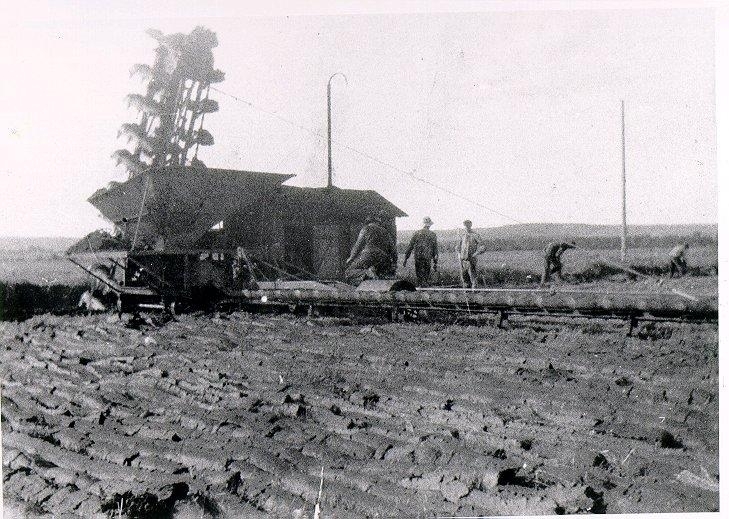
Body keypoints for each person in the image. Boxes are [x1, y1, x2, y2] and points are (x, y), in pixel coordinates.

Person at [344, 214, 397, 284]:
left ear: (368, 221)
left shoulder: (365, 229)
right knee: (382, 276)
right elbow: (393, 250)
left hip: (369, 254)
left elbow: (357, 247)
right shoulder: (385, 232)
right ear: (378, 222)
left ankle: (366, 273)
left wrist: (350, 259)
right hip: (383, 257)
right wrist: (394, 263)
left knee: (349, 271)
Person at [403, 216, 439, 286]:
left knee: (419, 276)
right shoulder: (432, 235)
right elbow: (435, 250)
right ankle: (425, 287)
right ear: (429, 225)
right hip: (427, 257)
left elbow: (410, 247)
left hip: (418, 257)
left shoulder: (416, 233)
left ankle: (420, 287)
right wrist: (435, 263)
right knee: (426, 276)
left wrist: (405, 259)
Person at [458, 220, 486, 289]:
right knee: (465, 279)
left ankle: (475, 295)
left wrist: (475, 254)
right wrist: (459, 255)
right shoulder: (463, 236)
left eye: (468, 225)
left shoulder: (475, 235)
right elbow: (458, 247)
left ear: (470, 225)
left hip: (471, 260)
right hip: (463, 260)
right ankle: (467, 296)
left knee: (473, 279)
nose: (466, 227)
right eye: (465, 226)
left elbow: (483, 246)